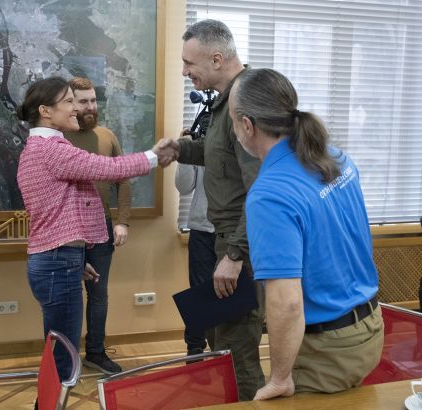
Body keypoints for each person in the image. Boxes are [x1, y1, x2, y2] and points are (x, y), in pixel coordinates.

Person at [228, 68, 384, 400]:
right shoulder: (337, 159)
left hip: (328, 349)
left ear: (247, 125)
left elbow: (286, 303)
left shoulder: (270, 195)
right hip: (370, 326)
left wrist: (280, 378)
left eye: (232, 119)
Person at [16, 77, 161, 385]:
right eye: (68, 101)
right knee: (63, 360)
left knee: (60, 352)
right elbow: (109, 169)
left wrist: (76, 260)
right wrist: (156, 156)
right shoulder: (50, 149)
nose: (76, 108)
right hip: (56, 263)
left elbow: (60, 212)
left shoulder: (44, 145)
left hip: (60, 260)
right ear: (45, 110)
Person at [156, 19, 264, 401]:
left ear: (216, 59)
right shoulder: (227, 101)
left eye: (189, 63)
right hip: (225, 240)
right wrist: (181, 149)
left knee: (238, 350)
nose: (184, 71)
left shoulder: (247, 101)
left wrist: (235, 255)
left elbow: (262, 191)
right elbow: (221, 155)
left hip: (240, 245)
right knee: (221, 340)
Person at [63, 76, 130, 374]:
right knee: (67, 293)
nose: (90, 106)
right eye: (83, 101)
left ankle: (96, 352)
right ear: (69, 104)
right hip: (67, 230)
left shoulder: (107, 136)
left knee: (98, 292)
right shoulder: (57, 139)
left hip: (101, 227)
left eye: (93, 100)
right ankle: (65, 358)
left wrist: (122, 222)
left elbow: (123, 181)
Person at [175, 161, 216, 357]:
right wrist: (185, 154)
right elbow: (183, 187)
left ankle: (225, 351)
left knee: (234, 292)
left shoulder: (245, 139)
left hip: (236, 229)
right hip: (201, 228)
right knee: (199, 290)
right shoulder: (202, 142)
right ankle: (195, 347)